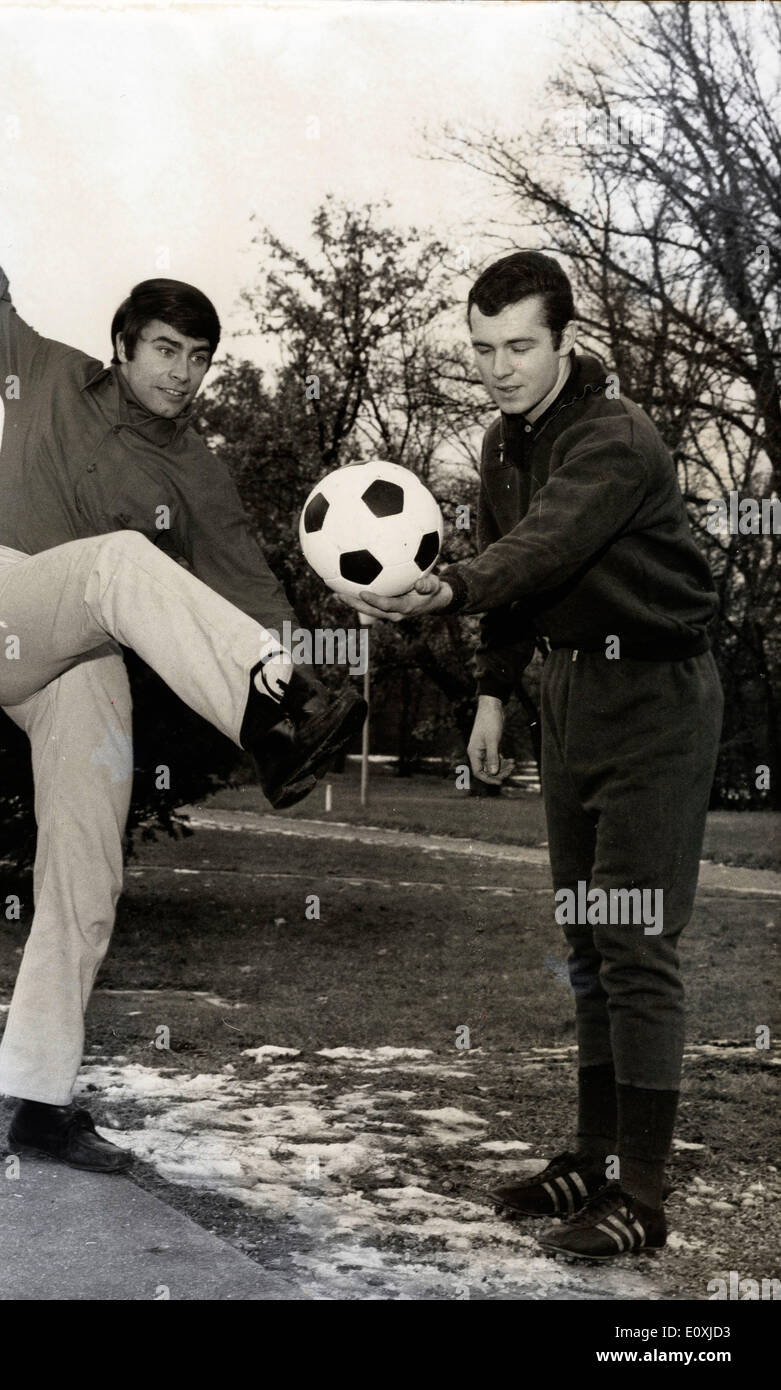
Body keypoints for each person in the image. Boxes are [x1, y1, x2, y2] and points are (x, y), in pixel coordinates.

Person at [0, 123, 365, 1173]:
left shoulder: (199, 472)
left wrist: (313, 667)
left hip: (79, 662)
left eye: (200, 360)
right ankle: (273, 727)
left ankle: (39, 1100)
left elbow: (253, 590)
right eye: (166, 352)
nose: (182, 375)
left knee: (86, 868)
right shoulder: (40, 371)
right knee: (122, 560)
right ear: (123, 345)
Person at [344, 251, 723, 1261]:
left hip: (656, 691)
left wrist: (445, 586)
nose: (498, 368)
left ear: (565, 341)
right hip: (568, 689)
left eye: (518, 347)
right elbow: (517, 593)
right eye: (481, 348)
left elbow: (544, 548)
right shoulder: (501, 442)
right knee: (590, 943)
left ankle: (640, 1195)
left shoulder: (615, 438)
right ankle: (593, 1162)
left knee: (635, 938)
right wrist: (490, 696)